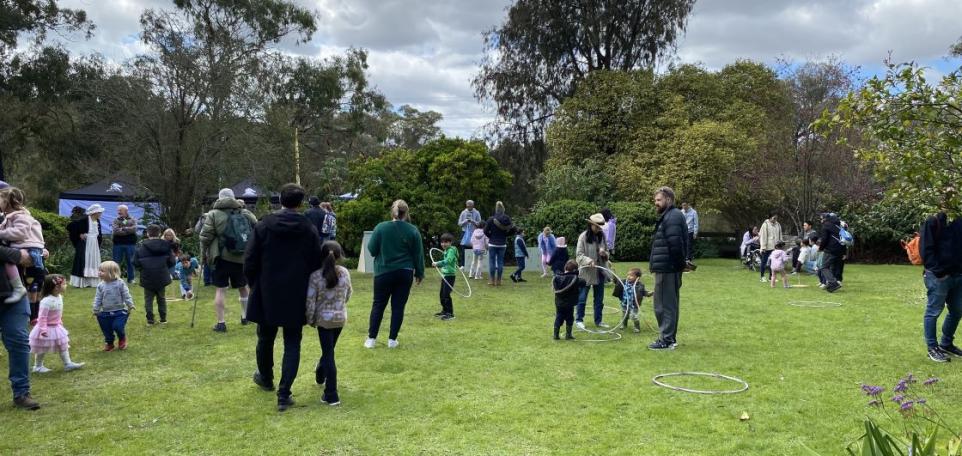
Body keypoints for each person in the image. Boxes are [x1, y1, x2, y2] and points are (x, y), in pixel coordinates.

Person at [245, 183, 324, 411]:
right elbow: (315, 262)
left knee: (265, 337)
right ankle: (283, 391)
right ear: (300, 203)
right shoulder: (308, 228)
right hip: (296, 291)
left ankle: (267, 377)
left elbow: (250, 259)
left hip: (267, 288)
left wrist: (254, 283)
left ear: (280, 199)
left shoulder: (264, 225)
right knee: (292, 341)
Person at [364, 200, 424, 349]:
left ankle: (371, 339)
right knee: (398, 307)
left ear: (393, 211)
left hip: (383, 271)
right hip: (405, 272)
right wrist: (420, 272)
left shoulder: (381, 228)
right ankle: (392, 340)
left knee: (378, 304)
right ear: (406, 213)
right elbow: (418, 254)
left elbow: (371, 250)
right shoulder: (412, 230)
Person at [200, 188, 258, 332]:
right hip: (241, 257)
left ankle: (221, 323)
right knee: (244, 288)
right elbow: (256, 225)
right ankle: (246, 317)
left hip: (221, 257)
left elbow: (205, 236)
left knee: (221, 289)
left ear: (219, 198)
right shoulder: (243, 212)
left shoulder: (213, 214)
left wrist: (203, 255)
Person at [306, 240, 352, 406]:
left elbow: (310, 301)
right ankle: (320, 369)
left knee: (329, 354)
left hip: (324, 321)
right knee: (329, 350)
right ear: (340, 256)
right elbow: (348, 294)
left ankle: (331, 393)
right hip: (340, 319)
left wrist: (311, 319)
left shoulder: (315, 276)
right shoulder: (345, 273)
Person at [919, 192, 962, 363]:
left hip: (958, 274)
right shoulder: (933, 220)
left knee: (958, 310)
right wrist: (939, 272)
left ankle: (946, 343)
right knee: (933, 311)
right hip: (939, 277)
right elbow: (926, 250)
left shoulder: (958, 220)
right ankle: (932, 347)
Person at [648, 187, 689, 351]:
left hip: (668, 268)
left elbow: (675, 244)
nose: (656, 203)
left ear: (669, 200)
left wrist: (679, 265)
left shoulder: (672, 217)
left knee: (664, 305)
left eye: (659, 200)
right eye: (655, 200)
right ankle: (668, 338)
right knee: (665, 304)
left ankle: (666, 340)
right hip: (666, 267)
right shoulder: (670, 216)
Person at [0, 244, 40, 409]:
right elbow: (19, 255)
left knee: (19, 341)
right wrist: (14, 255)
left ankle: (21, 393)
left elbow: (30, 257)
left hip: (14, 297)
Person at [29, 275, 84, 373]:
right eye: (64, 284)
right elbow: (42, 317)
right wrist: (43, 330)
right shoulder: (46, 301)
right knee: (42, 347)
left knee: (63, 345)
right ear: (56, 287)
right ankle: (37, 366)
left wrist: (60, 323)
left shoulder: (59, 297)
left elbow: (58, 313)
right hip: (46, 328)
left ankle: (68, 364)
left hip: (56, 327)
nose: (66, 285)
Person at [0, 188, 45, 308]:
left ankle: (19, 288)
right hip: (28, 247)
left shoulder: (20, 216)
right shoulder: (11, 216)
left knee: (10, 260)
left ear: (7, 202)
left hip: (28, 247)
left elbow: (20, 233)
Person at [134, 225, 176, 325]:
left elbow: (135, 262)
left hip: (147, 276)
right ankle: (163, 319)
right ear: (160, 233)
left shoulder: (141, 247)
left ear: (148, 234)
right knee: (161, 298)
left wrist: (142, 269)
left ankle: (150, 320)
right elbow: (172, 261)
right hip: (162, 275)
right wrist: (165, 267)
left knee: (148, 299)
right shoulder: (166, 246)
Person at [575, 213, 611, 330]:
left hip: (600, 272)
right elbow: (579, 256)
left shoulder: (602, 236)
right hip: (586, 273)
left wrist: (604, 254)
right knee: (582, 298)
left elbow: (607, 253)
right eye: (596, 226)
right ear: (590, 225)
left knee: (599, 299)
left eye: (600, 227)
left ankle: (598, 321)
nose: (598, 229)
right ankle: (579, 320)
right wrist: (589, 260)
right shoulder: (583, 237)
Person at [92, 261, 135, 351]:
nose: (99, 272)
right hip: (105, 312)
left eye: (102, 271)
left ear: (111, 272)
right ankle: (110, 343)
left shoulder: (120, 283)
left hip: (120, 311)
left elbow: (126, 294)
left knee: (117, 326)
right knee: (106, 329)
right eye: (99, 270)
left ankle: (122, 338)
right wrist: (96, 309)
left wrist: (130, 304)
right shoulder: (100, 285)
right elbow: (98, 298)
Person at [68, 205, 104, 288]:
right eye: (99, 212)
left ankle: (92, 282)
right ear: (94, 213)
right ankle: (82, 282)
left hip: (94, 244)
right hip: (85, 243)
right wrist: (78, 235)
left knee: (93, 261)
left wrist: (98, 242)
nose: (100, 214)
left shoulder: (97, 221)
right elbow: (70, 226)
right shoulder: (84, 220)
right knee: (84, 261)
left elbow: (99, 234)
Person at [483, 201, 515, 287]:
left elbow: (485, 231)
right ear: (503, 209)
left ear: (496, 209)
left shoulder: (491, 219)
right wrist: (506, 235)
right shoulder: (507, 218)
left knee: (492, 262)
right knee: (500, 262)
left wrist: (490, 236)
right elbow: (513, 229)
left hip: (492, 244)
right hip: (502, 244)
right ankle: (499, 280)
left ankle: (492, 280)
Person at [612, 268, 653, 334]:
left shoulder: (640, 285)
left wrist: (649, 293)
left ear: (637, 278)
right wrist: (614, 276)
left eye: (631, 275)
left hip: (634, 305)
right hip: (625, 303)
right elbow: (616, 282)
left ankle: (637, 327)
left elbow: (643, 292)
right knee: (625, 314)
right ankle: (624, 324)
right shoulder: (624, 282)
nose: (629, 277)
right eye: (628, 275)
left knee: (634, 316)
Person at [552, 260, 584, 340]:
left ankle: (556, 335)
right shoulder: (574, 279)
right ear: (574, 270)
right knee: (570, 318)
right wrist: (577, 274)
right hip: (569, 304)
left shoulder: (557, 277)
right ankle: (568, 335)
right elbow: (583, 282)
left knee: (559, 317)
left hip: (559, 303)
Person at [431, 233, 458, 321]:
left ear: (450, 242)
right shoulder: (447, 250)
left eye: (446, 242)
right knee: (442, 294)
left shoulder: (451, 250)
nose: (443, 244)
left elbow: (449, 260)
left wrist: (438, 263)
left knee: (446, 294)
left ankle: (450, 313)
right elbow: (446, 263)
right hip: (445, 275)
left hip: (450, 276)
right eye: (442, 242)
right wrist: (439, 265)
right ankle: (445, 311)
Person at [816, 213, 844, 293]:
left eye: (821, 219)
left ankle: (833, 283)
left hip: (831, 249)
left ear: (825, 219)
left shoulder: (826, 226)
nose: (821, 221)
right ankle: (831, 284)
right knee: (831, 266)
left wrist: (821, 248)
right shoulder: (837, 225)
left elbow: (824, 239)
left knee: (824, 267)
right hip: (840, 249)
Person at [111, 205, 138, 284]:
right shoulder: (115, 220)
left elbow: (134, 229)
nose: (118, 212)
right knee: (116, 262)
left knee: (130, 261)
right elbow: (115, 231)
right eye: (118, 210)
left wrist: (123, 228)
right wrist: (128, 229)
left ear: (126, 211)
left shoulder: (132, 219)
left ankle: (131, 279)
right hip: (118, 244)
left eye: (120, 210)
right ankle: (115, 278)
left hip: (130, 244)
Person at [457, 200, 482, 270]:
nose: (469, 207)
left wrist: (473, 221)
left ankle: (473, 265)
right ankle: (463, 265)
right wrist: (466, 221)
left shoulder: (477, 212)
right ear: (466, 205)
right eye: (468, 206)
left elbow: (480, 224)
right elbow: (459, 223)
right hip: (464, 232)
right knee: (463, 248)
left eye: (470, 206)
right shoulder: (463, 212)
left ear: (473, 206)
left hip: (474, 233)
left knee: (474, 248)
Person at [758, 213, 782, 283]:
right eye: (774, 218)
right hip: (767, 246)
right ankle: (762, 277)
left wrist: (780, 243)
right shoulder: (765, 224)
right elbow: (763, 236)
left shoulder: (778, 224)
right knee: (764, 262)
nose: (775, 220)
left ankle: (771, 277)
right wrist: (763, 247)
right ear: (770, 217)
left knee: (773, 262)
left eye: (776, 218)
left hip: (775, 246)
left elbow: (780, 234)